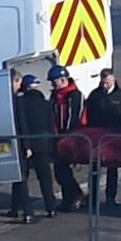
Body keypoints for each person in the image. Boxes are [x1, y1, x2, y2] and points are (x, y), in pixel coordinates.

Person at [0, 69, 34, 223]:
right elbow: (22, 124)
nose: (20, 86)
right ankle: (27, 213)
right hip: (14, 143)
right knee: (20, 180)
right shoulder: (17, 100)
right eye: (18, 82)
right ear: (14, 82)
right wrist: (27, 146)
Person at [84, 67, 121, 206]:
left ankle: (111, 197)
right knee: (94, 168)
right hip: (96, 138)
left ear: (113, 80)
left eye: (107, 82)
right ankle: (92, 197)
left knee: (113, 169)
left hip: (114, 138)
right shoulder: (94, 95)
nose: (105, 85)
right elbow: (88, 115)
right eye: (103, 82)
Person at [16, 74, 58, 217]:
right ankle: (50, 207)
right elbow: (51, 126)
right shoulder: (46, 104)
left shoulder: (20, 103)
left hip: (24, 145)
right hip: (43, 146)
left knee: (21, 178)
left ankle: (18, 208)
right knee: (45, 178)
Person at [48, 64, 87, 212]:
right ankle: (70, 198)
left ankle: (75, 196)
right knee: (60, 171)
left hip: (70, 139)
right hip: (58, 138)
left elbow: (73, 118)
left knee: (64, 170)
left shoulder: (74, 95)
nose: (52, 84)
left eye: (54, 81)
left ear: (63, 79)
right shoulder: (56, 95)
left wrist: (67, 138)